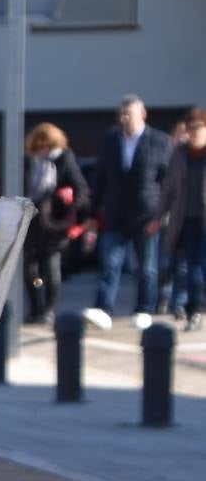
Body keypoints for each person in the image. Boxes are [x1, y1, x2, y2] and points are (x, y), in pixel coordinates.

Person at [90, 94, 174, 332]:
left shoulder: (160, 141)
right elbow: (101, 179)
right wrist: (92, 213)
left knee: (147, 267)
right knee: (110, 263)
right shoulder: (111, 141)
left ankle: (144, 309)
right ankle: (103, 309)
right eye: (122, 115)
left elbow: (167, 183)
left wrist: (161, 215)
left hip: (146, 215)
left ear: (143, 114)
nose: (125, 119)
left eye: (130, 114)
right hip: (116, 213)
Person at [23, 122, 88, 326]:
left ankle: (49, 309)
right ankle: (35, 308)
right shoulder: (28, 163)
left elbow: (81, 190)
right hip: (32, 222)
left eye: (47, 146)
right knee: (30, 270)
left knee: (51, 267)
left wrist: (69, 207)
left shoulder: (65, 159)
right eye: (38, 146)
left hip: (54, 224)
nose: (42, 150)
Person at [160, 109, 206, 332]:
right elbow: (168, 189)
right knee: (192, 269)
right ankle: (194, 310)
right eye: (191, 128)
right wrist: (158, 216)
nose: (194, 133)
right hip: (187, 220)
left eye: (198, 128)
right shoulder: (179, 154)